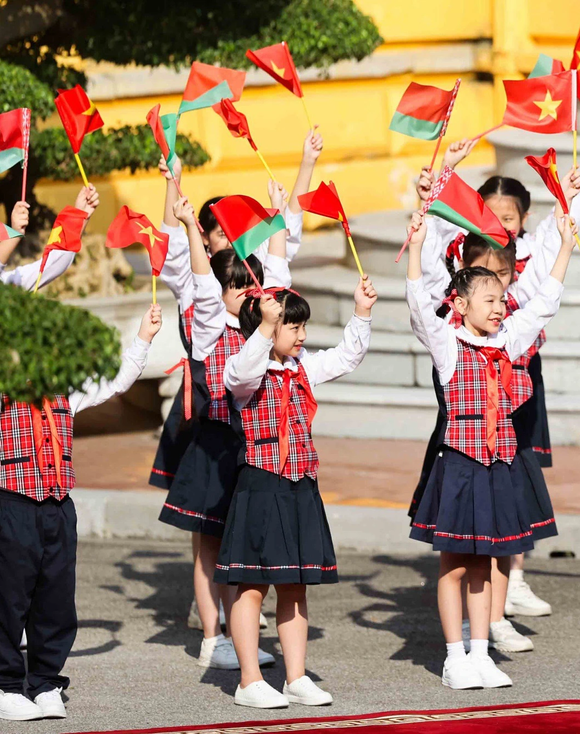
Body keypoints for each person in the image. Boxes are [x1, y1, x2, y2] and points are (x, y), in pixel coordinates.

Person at [411, 131, 580, 632]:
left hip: (510, 399)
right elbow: (421, 283)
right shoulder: (449, 311)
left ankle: (498, 608)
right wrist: (434, 192)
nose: (495, 292)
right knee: (460, 531)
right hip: (462, 414)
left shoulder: (515, 304)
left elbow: (548, 283)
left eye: (500, 280)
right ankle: (464, 641)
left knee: (509, 498)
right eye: (482, 280)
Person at [404, 198, 579, 690]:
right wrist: (417, 246)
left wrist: (565, 246)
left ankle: (481, 651)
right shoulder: (447, 344)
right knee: (454, 564)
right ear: (460, 305)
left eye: (502, 301)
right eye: (489, 301)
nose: (500, 308)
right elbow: (418, 304)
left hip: (497, 463)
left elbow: (545, 301)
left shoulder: (508, 341)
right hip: (459, 465)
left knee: (486, 561)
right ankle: (454, 654)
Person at [0, 304, 162, 722]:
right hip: (11, 506)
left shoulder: (67, 388)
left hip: (58, 508)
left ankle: (45, 680)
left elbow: (117, 381)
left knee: (56, 602)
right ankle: (2, 686)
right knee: (6, 602)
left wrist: (144, 337)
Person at [218, 277, 375, 709]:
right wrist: (265, 329)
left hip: (300, 482)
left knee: (295, 583)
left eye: (301, 327)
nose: (302, 335)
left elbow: (346, 357)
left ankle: (295, 676)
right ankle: (249, 679)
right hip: (262, 484)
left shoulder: (300, 365)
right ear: (268, 325)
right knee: (251, 585)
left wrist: (361, 312)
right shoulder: (248, 370)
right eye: (294, 327)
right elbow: (239, 373)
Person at [157, 183, 291, 670]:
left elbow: (278, 276)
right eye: (238, 286)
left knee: (242, 546)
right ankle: (213, 637)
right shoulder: (208, 324)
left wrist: (276, 220)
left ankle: (240, 636)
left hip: (252, 447)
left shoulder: (261, 328)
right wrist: (192, 227)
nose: (248, 293)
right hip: (214, 445)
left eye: (250, 286)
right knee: (208, 545)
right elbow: (199, 278)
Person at [149, 128, 319, 507]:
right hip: (209, 402)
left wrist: (307, 163)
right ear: (206, 238)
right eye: (220, 232)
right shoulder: (200, 284)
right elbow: (173, 245)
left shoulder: (253, 279)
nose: (229, 239)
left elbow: (283, 245)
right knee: (203, 513)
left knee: (240, 517)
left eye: (235, 231)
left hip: (255, 406)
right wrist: (172, 183)